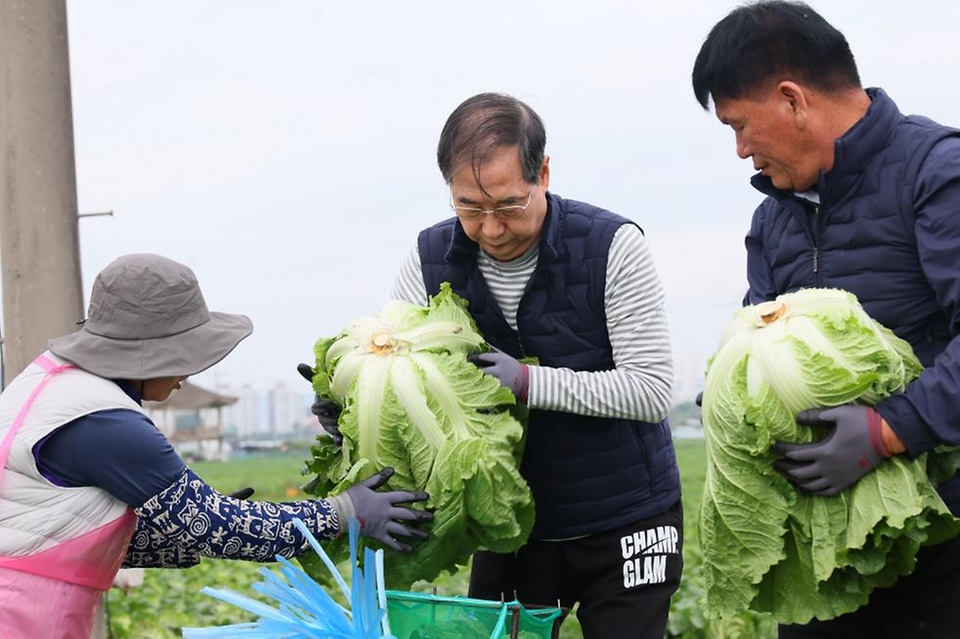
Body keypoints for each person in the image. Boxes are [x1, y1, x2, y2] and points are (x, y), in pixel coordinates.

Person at [692, 2, 960, 636]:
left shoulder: (935, 172)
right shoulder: (773, 218)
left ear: (792, 100)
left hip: (942, 544)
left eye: (739, 126)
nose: (739, 151)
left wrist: (889, 432)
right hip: (821, 558)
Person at [0, 253, 432, 639]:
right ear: (148, 351)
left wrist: (191, 524)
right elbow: (217, 528)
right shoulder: (105, 423)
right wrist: (342, 512)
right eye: (183, 357)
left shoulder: (52, 382)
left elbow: (65, 527)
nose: (185, 376)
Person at [391, 92, 681, 638]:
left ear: (542, 173)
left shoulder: (612, 245)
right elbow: (405, 373)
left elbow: (651, 390)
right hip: (510, 522)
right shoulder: (428, 259)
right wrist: (350, 400)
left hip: (626, 514)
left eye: (508, 205)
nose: (491, 229)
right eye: (469, 209)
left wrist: (527, 382)